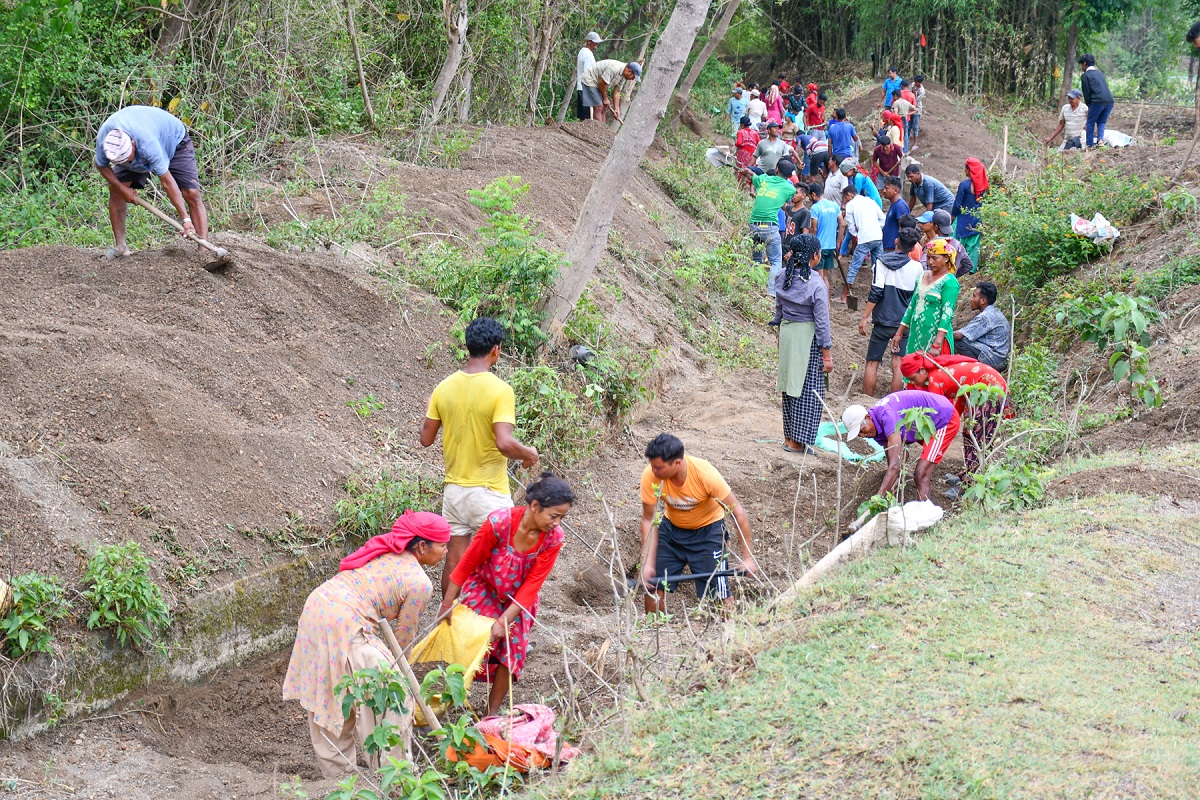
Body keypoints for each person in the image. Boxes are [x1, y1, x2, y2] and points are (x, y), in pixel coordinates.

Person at [283, 511, 450, 778]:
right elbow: (402, 643)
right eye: (442, 545)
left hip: (317, 607)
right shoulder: (420, 583)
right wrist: (402, 677)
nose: (446, 551)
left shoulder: (388, 553)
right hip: (345, 622)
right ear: (422, 546)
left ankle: (339, 780)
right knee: (393, 695)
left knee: (332, 695)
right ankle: (394, 776)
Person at [437, 473, 574, 715]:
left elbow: (532, 584)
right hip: (485, 587)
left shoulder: (553, 539)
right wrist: (448, 601)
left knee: (513, 650)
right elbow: (468, 562)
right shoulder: (500, 522)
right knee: (467, 640)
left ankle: (491, 714)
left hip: (519, 601)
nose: (557, 523)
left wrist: (505, 620)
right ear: (534, 506)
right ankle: (447, 702)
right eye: (554, 516)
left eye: (562, 517)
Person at [421, 317, 539, 595]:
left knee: (454, 559)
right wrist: (528, 453)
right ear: (496, 350)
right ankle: (498, 631)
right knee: (504, 560)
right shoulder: (500, 390)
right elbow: (504, 442)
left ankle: (445, 620)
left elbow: (425, 439)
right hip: (489, 494)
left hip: (454, 491)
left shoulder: (444, 386)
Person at [638, 434, 756, 613]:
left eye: (659, 467)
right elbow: (648, 520)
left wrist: (748, 558)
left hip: (709, 533)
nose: (653, 471)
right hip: (671, 531)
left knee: (719, 595)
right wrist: (647, 563)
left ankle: (731, 635)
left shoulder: (705, 474)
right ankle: (653, 633)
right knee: (653, 586)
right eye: (653, 466)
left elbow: (737, 513)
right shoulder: (651, 475)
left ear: (677, 463)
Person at [94, 105, 207, 257]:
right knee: (116, 192)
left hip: (173, 141)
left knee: (192, 193)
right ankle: (121, 248)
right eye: (123, 161)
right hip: (135, 145)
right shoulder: (106, 142)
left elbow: (167, 181)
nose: (129, 163)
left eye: (129, 158)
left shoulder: (148, 143)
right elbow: (101, 165)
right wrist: (122, 189)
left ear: (132, 144)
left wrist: (185, 220)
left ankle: (204, 252)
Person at [772, 233, 834, 454]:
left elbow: (778, 310)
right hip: (807, 339)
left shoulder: (781, 276)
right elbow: (822, 322)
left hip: (787, 335)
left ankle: (789, 438)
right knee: (809, 390)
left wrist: (782, 335)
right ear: (815, 256)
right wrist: (826, 354)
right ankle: (798, 442)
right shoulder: (816, 284)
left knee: (790, 386)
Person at [842, 390, 961, 501]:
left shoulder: (886, 416)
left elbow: (895, 466)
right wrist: (892, 482)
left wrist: (879, 497)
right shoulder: (874, 426)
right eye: (859, 434)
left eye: (862, 430)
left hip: (943, 418)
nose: (863, 435)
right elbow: (898, 454)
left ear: (868, 418)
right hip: (921, 424)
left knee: (921, 474)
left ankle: (927, 516)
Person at [900, 353, 1007, 476]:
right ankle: (970, 474)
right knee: (970, 432)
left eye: (913, 378)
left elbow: (938, 414)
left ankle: (973, 479)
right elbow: (962, 392)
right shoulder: (938, 373)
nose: (914, 383)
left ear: (923, 370)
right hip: (979, 388)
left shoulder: (935, 379)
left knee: (978, 436)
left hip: (989, 387)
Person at [859, 227, 924, 395]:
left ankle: (867, 399)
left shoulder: (881, 262)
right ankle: (895, 400)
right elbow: (918, 298)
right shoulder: (917, 268)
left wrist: (865, 317)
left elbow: (876, 292)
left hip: (882, 320)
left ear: (896, 241)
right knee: (898, 363)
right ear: (913, 247)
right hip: (903, 323)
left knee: (872, 362)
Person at [891, 238, 961, 357]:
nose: (930, 262)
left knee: (930, 371)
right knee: (913, 369)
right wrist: (899, 333)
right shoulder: (922, 276)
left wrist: (937, 344)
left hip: (935, 336)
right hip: (916, 332)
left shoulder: (949, 282)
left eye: (935, 258)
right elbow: (912, 306)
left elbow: (947, 314)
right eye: (928, 257)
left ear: (946, 258)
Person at [738, 160, 796, 295]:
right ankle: (771, 293)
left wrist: (744, 170)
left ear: (776, 169)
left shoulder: (763, 179)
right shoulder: (790, 189)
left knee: (756, 259)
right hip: (770, 227)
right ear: (790, 175)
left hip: (754, 226)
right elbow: (788, 199)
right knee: (776, 261)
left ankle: (753, 287)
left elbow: (749, 173)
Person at [839, 182, 885, 304]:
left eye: (845, 197)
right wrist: (876, 228)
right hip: (878, 237)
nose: (845, 200)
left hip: (865, 239)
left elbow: (851, 226)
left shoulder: (851, 205)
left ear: (849, 195)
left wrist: (858, 234)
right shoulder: (870, 201)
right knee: (878, 266)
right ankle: (879, 293)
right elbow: (882, 218)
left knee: (854, 266)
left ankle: (844, 296)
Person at [953, 282, 1011, 370]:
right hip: (1001, 359)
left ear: (983, 300)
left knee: (959, 341)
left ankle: (975, 368)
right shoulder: (995, 312)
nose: (971, 299)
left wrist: (940, 334)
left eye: (974, 296)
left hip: (995, 359)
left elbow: (959, 335)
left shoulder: (985, 316)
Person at [952, 158, 988, 268]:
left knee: (957, 243)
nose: (964, 171)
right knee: (973, 245)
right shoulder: (984, 187)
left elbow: (958, 205)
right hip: (976, 221)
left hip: (962, 220)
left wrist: (953, 216)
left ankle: (956, 266)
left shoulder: (964, 185)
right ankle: (970, 268)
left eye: (965, 168)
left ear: (970, 170)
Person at [917, 209, 973, 275]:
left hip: (934, 282)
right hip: (950, 282)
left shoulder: (931, 245)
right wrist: (953, 275)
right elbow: (968, 266)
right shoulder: (958, 245)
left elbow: (923, 265)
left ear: (935, 227)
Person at [809, 181, 841, 294]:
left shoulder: (815, 208)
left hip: (819, 247)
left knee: (818, 276)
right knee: (825, 276)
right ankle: (826, 304)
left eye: (809, 196)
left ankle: (820, 303)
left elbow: (814, 229)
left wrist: (811, 244)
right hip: (831, 246)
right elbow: (842, 223)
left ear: (813, 194)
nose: (809, 199)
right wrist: (838, 242)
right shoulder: (834, 205)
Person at [1078, 53, 1113, 148]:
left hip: (1097, 101)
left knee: (1090, 122)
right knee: (1101, 122)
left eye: (1082, 64)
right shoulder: (1100, 74)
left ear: (1085, 63)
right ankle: (1100, 141)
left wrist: (1089, 106)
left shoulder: (1085, 76)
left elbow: (1087, 93)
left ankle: (1089, 145)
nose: (1082, 67)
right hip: (1109, 101)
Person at [575, 32, 602, 120]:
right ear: (589, 42)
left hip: (581, 88)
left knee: (584, 117)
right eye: (595, 42)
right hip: (586, 89)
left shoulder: (582, 52)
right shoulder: (588, 54)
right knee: (587, 118)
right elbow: (589, 73)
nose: (597, 44)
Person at [880, 176, 910, 251]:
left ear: (895, 191)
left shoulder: (900, 206)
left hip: (894, 249)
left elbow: (904, 228)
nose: (884, 191)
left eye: (886, 188)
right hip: (888, 247)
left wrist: (899, 247)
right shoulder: (894, 204)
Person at [734, 116, 760, 194]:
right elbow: (759, 143)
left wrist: (736, 144)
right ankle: (750, 184)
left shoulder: (740, 132)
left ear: (742, 125)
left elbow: (739, 143)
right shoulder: (755, 133)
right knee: (751, 168)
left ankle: (739, 184)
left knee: (740, 168)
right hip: (753, 153)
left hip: (743, 152)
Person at [909, 75, 926, 147]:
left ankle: (915, 143)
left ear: (920, 83)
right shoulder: (912, 85)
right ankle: (907, 139)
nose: (914, 83)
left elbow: (916, 101)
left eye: (916, 82)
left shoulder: (922, 91)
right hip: (910, 107)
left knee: (915, 126)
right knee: (909, 125)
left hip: (917, 109)